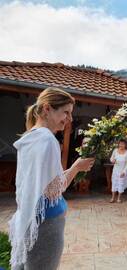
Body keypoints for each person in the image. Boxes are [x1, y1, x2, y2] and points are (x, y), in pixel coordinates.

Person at [9, 87, 95, 270]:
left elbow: (41, 185)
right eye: (66, 112)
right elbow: (54, 190)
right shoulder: (47, 140)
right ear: (47, 109)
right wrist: (76, 168)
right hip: (46, 225)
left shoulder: (31, 137)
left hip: (30, 219)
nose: (70, 119)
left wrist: (73, 168)